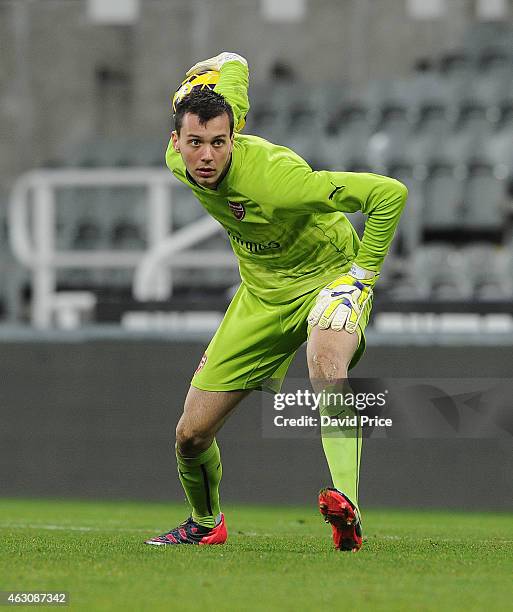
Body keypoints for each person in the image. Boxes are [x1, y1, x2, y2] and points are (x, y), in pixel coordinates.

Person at [145, 52, 408, 552]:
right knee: (190, 435)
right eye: (194, 143)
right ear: (176, 142)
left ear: (234, 136)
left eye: (218, 143)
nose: (205, 156)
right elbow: (233, 71)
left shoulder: (278, 182)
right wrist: (224, 60)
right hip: (261, 295)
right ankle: (205, 524)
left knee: (326, 362)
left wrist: (361, 277)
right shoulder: (180, 159)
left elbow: (388, 194)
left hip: (326, 277)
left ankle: (346, 506)